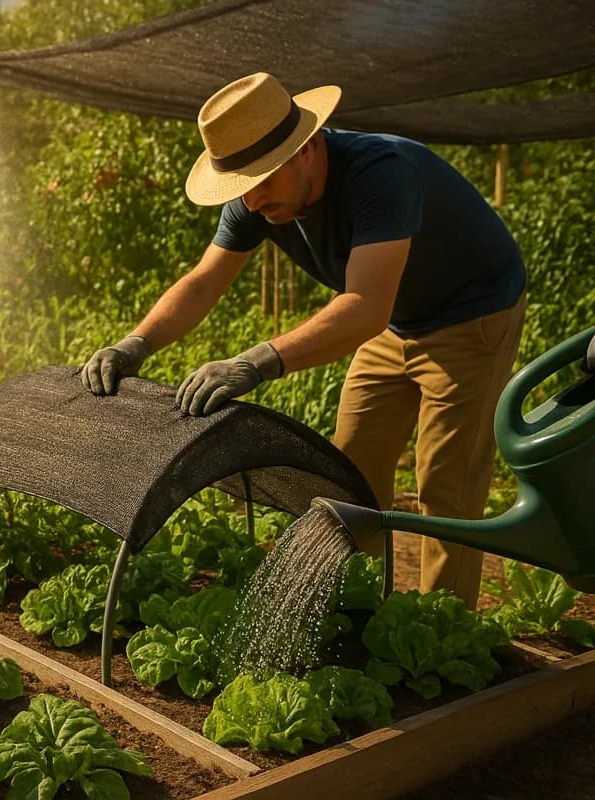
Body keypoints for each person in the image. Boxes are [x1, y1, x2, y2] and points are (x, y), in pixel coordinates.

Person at [80, 72, 526, 609]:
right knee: (349, 473)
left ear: (309, 147)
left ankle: (443, 633)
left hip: (470, 316)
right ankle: (354, 610)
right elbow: (203, 282)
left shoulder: (381, 175)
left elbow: (365, 304)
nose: (253, 197)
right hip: (395, 323)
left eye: (263, 180)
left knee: (445, 488)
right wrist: (135, 344)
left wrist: (257, 361)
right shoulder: (259, 197)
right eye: (242, 184)